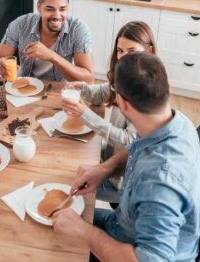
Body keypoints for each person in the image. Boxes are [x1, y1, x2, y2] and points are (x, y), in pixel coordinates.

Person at [52, 52, 200, 262]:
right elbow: (136, 146)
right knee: (51, 221)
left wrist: (83, 231)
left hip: (131, 250)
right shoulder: (172, 120)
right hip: (122, 226)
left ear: (121, 103)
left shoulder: (159, 183)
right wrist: (105, 169)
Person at [60, 21, 156, 203]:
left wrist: (85, 115)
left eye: (131, 51)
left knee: (60, 179)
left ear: (149, 51)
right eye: (120, 51)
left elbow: (129, 141)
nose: (123, 57)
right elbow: (104, 93)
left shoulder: (148, 91)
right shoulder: (127, 75)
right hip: (107, 156)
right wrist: (84, 88)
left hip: (119, 180)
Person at [0, 0, 94, 83]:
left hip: (58, 92)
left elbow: (89, 80)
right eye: (50, 9)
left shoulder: (78, 29)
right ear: (39, 7)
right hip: (24, 88)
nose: (57, 15)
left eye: (62, 9)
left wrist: (52, 56)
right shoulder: (20, 24)